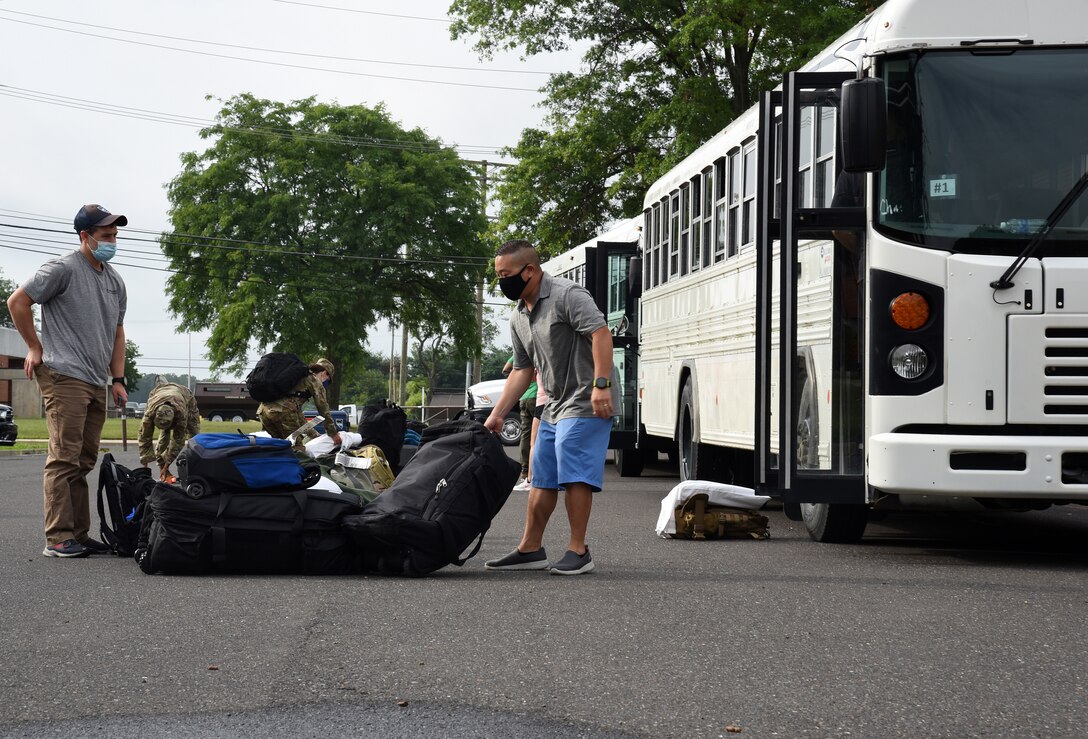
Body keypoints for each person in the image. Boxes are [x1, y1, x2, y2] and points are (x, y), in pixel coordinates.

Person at [483, 239, 618, 576]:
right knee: (541, 475)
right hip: (554, 401)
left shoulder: (567, 295)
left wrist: (603, 385)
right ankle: (530, 548)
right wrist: (497, 413)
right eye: (498, 276)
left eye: (506, 274)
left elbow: (601, 334)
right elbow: (521, 369)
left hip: (587, 398)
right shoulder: (518, 315)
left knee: (572, 465)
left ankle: (579, 550)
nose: (503, 282)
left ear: (530, 270)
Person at [6, 204, 129, 558]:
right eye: (106, 236)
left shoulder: (114, 281)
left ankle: (77, 532)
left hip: (95, 380)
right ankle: (58, 537)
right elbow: (18, 301)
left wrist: (117, 379)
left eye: (115, 235)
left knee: (84, 459)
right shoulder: (62, 268)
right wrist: (34, 346)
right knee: (63, 457)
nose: (112, 241)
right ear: (85, 237)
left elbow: (118, 333)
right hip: (63, 375)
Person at [257, 357, 342, 452]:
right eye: (328, 379)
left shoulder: (298, 377)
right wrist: (333, 433)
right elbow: (323, 410)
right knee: (297, 448)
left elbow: (298, 415)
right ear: (324, 373)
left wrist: (315, 435)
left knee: (280, 446)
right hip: (283, 413)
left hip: (264, 411)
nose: (326, 382)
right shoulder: (314, 381)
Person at [138, 378, 200, 481]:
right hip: (159, 393)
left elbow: (178, 441)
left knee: (195, 436)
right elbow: (144, 439)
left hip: (185, 397)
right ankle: (163, 470)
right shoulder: (149, 414)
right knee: (164, 434)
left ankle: (194, 469)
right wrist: (145, 470)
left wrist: (168, 463)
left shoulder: (181, 414)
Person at [503, 353, 537, 491]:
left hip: (524, 397)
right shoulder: (539, 349)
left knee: (526, 436)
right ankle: (539, 474)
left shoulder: (520, 353)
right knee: (540, 437)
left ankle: (525, 473)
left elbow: (506, 369)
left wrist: (522, 379)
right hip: (538, 398)